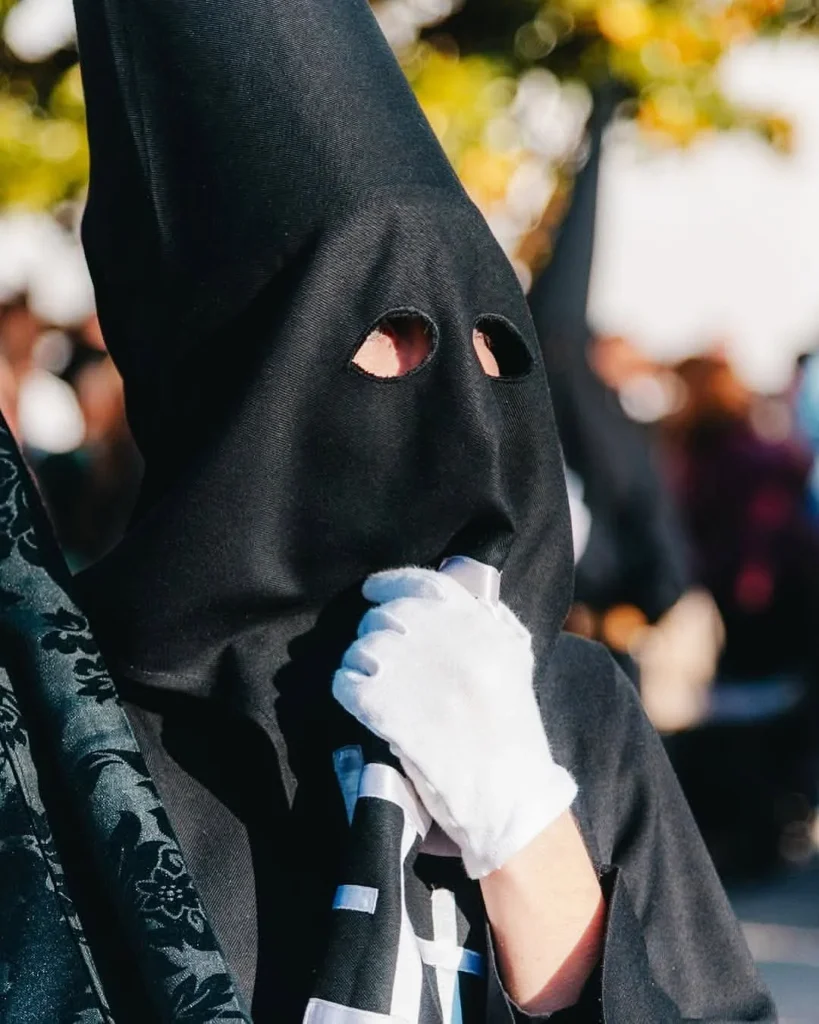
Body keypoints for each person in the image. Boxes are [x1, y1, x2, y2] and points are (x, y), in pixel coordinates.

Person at [0, 0, 772, 1021]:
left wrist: (527, 836)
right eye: (388, 322)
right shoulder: (56, 721)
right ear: (244, 365)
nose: (462, 381)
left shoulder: (564, 703)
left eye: (493, 332)